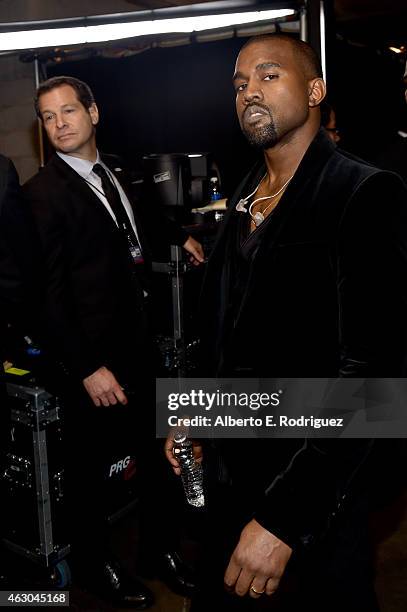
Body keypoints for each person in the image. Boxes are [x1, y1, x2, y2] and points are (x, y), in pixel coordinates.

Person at [166, 34, 407, 611]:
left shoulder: (365, 192)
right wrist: (193, 417)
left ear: (316, 90)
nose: (250, 90)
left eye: (269, 76)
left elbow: (374, 381)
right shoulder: (250, 190)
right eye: (240, 82)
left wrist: (283, 520)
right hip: (232, 480)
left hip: (313, 502)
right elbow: (225, 328)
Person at [23, 75, 203, 608]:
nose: (59, 124)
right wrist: (85, 366)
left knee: (155, 456)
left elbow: (132, 224)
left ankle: (159, 554)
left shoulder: (113, 171)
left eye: (68, 112)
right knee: (91, 475)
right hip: (94, 363)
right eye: (49, 117)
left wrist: (179, 236)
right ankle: (95, 569)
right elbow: (46, 296)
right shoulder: (41, 195)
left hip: (137, 346)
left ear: (93, 113)